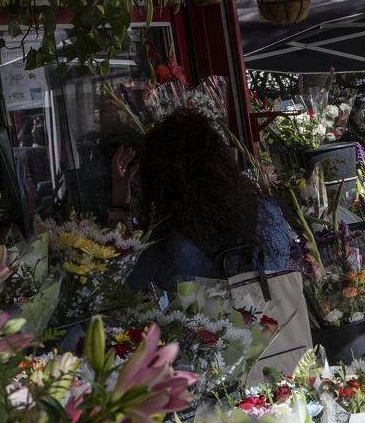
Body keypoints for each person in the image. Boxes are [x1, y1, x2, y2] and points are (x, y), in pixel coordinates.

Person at [120, 110, 296, 291]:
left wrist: (119, 208)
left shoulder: (170, 250)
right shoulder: (268, 213)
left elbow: (123, 289)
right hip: (275, 317)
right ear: (222, 164)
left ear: (162, 183)